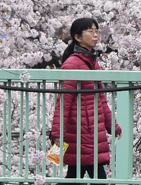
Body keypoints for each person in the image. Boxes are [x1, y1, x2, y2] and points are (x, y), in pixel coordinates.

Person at [50, 18, 121, 182]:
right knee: (96, 174)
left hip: (89, 128)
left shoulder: (92, 62)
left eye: (97, 31)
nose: (96, 35)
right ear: (78, 37)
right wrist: (57, 133)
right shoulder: (72, 64)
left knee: (76, 173)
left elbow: (100, 97)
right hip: (82, 130)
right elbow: (64, 100)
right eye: (91, 31)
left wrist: (111, 124)